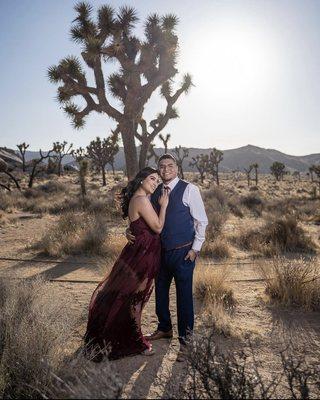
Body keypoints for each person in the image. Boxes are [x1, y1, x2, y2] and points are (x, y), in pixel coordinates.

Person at [127, 154, 208, 361]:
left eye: (170, 166)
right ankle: (164, 328)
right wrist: (128, 231)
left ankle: (186, 343)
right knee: (160, 293)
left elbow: (201, 221)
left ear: (177, 168)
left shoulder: (189, 189)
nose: (165, 170)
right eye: (161, 167)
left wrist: (195, 248)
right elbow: (144, 218)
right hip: (160, 252)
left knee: (184, 298)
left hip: (183, 252)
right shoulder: (154, 191)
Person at [83, 167, 169, 361]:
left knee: (130, 297)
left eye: (157, 180)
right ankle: (136, 342)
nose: (155, 183)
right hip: (142, 256)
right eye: (151, 179)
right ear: (141, 180)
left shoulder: (137, 199)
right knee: (135, 299)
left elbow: (137, 227)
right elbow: (158, 227)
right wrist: (164, 205)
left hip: (140, 252)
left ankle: (122, 334)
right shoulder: (141, 200)